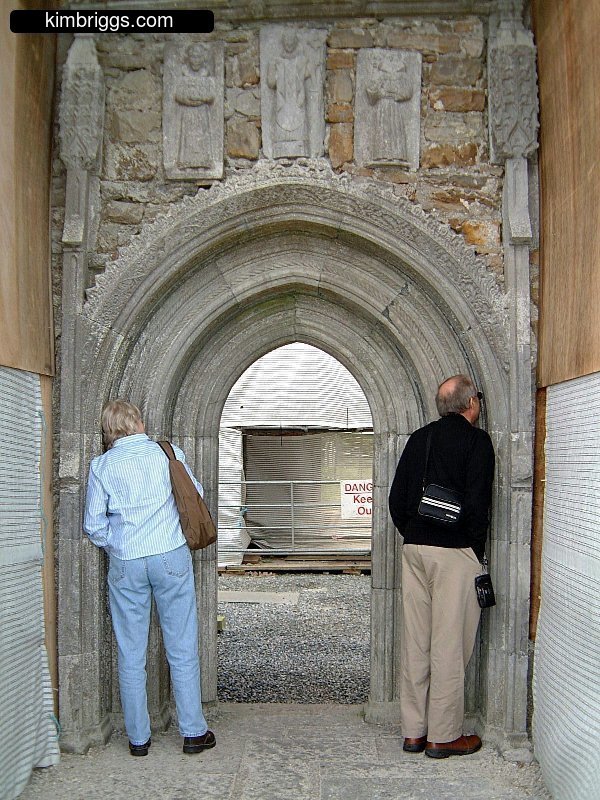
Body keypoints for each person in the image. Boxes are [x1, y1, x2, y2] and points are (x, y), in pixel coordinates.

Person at [83, 399, 216, 757]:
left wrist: (120, 542)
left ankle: (139, 739)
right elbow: (196, 496)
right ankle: (193, 733)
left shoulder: (102, 466)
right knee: (182, 645)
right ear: (138, 422)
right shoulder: (166, 454)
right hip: (169, 555)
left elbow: (93, 526)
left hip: (127, 561)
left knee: (130, 652)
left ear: (109, 431)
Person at [388, 375, 495, 759]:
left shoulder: (420, 438)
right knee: (449, 646)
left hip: (415, 548)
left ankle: (414, 731)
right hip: (454, 554)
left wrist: (414, 531)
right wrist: (471, 549)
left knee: (417, 642)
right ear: (471, 404)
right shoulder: (477, 442)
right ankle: (444, 736)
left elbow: (396, 499)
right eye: (478, 399)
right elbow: (479, 504)